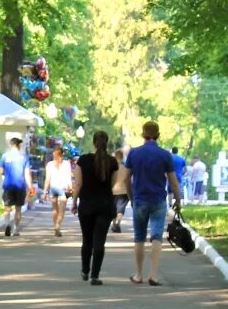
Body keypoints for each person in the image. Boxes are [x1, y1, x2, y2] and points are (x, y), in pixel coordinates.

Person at [123, 121, 182, 286]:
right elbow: (174, 182)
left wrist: (131, 197)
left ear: (143, 134)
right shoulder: (165, 155)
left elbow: (126, 178)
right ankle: (154, 275)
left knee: (139, 237)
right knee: (156, 237)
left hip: (140, 200)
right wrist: (178, 200)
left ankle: (138, 274)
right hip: (158, 201)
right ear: (158, 135)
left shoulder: (134, 154)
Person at [71, 130, 118, 285]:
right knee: (99, 242)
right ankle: (95, 276)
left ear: (93, 142)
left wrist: (74, 202)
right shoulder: (112, 162)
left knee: (87, 240)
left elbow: (78, 184)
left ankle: (85, 270)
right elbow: (113, 184)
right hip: (105, 206)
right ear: (107, 142)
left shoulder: (83, 160)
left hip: (87, 206)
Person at [0, 136, 33, 237]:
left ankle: (7, 224)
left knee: (7, 208)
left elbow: (1, 171)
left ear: (11, 145)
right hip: (20, 186)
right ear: (19, 145)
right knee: (18, 209)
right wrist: (30, 187)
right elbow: (27, 174)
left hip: (8, 185)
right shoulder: (24, 157)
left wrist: (6, 174)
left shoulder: (5, 156)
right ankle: (15, 229)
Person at [42, 145, 73, 237]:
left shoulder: (49, 164)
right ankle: (57, 225)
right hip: (63, 189)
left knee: (55, 209)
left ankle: (56, 226)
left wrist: (44, 192)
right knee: (62, 210)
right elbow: (68, 177)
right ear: (62, 154)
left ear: (54, 154)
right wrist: (70, 188)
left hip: (53, 188)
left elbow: (47, 179)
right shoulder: (67, 164)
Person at [111, 150, 130, 233]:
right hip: (124, 191)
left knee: (113, 209)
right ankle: (118, 223)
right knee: (121, 209)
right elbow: (128, 180)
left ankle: (114, 223)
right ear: (122, 157)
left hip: (113, 191)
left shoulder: (112, 168)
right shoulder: (126, 168)